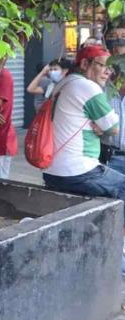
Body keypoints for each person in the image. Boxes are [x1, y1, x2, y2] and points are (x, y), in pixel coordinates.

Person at [42, 45, 125, 205]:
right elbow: (113, 128)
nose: (108, 71)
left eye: (110, 67)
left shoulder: (64, 83)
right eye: (101, 65)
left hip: (53, 169)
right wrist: (101, 127)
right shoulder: (88, 87)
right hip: (78, 170)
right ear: (85, 64)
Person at [102, 26, 125, 174]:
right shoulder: (99, 81)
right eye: (113, 36)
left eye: (123, 35)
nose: (118, 41)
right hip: (108, 158)